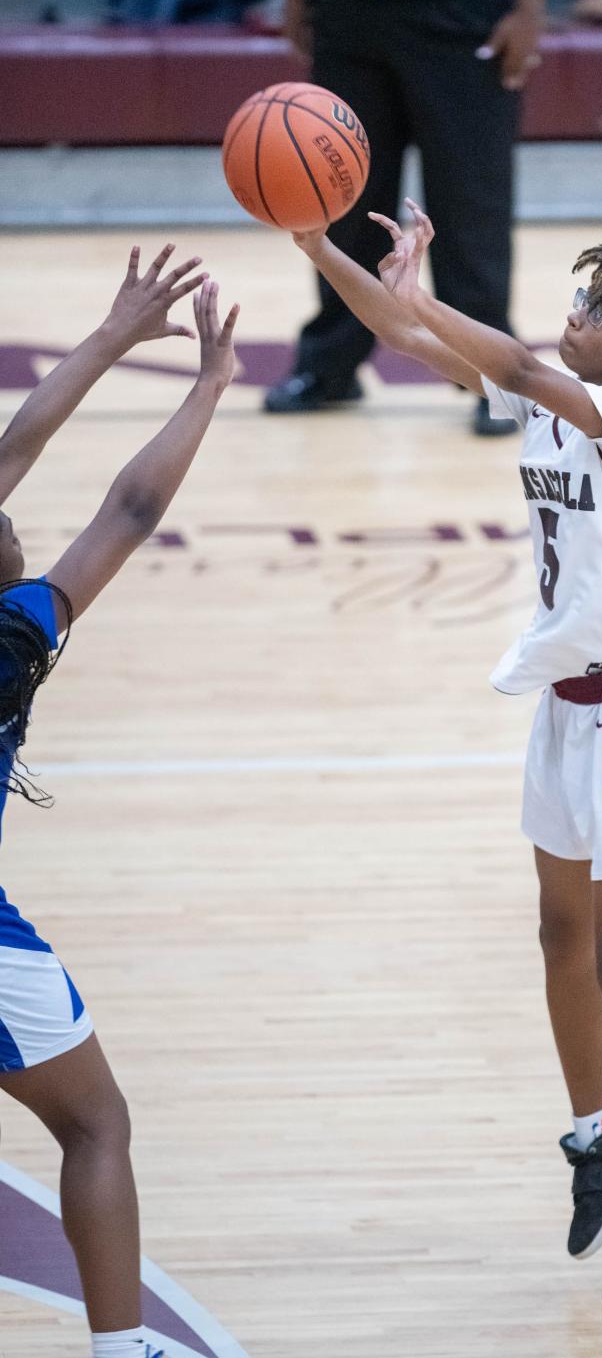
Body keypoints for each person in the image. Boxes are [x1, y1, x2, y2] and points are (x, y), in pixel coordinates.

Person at [290, 201, 602, 1327]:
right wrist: (320, 248)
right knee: (556, 936)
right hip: (564, 707)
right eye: (580, 295)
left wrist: (427, 292)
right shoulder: (556, 392)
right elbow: (411, 345)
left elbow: (512, 365)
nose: (575, 310)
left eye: (597, 307)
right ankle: (596, 1140)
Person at [0, 248, 238, 1358]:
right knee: (97, 1122)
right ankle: (121, 1347)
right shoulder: (14, 634)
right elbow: (132, 507)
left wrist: (105, 339)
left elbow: (12, 450)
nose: (16, 523)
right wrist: (204, 385)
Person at [265, 0, 549, 436]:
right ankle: (329, 364)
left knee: (471, 207)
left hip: (465, 12)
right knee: (345, 203)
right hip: (348, 9)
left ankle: (492, 378)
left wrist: (530, 10)